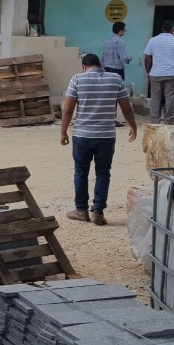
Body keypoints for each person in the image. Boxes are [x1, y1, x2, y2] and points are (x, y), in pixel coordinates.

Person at [59, 53, 137, 225]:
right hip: (106, 136)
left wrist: (63, 131)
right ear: (100, 64)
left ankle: (81, 210)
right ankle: (98, 212)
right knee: (103, 172)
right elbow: (126, 108)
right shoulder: (116, 79)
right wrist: (133, 126)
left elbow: (68, 110)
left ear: (84, 66)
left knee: (81, 172)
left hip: (82, 135)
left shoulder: (77, 79)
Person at [143, 20, 174, 124]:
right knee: (170, 97)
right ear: (172, 29)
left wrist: (148, 71)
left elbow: (147, 57)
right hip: (172, 73)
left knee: (155, 98)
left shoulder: (153, 40)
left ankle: (155, 120)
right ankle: (168, 119)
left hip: (156, 73)